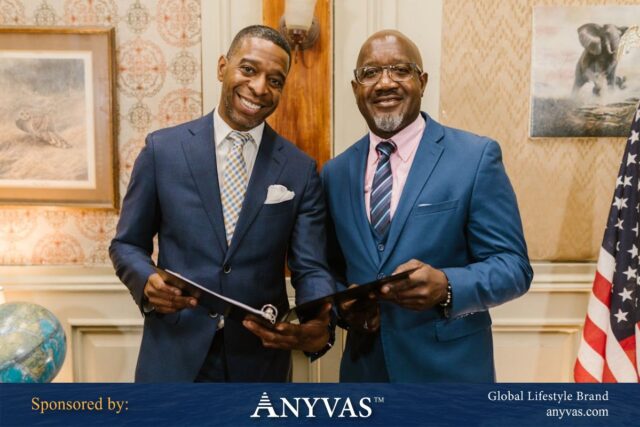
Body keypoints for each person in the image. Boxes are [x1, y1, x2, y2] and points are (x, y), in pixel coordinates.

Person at [110, 25, 334, 382]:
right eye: (248, 69)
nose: (260, 88)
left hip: (259, 362)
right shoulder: (162, 151)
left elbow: (311, 267)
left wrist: (319, 319)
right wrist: (147, 280)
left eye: (275, 80)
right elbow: (126, 244)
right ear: (221, 68)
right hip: (173, 356)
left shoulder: (300, 169)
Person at [321, 30, 533, 382]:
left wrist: (447, 285)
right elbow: (332, 270)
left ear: (422, 81)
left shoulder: (475, 157)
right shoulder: (335, 172)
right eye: (370, 73)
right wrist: (343, 308)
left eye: (400, 70)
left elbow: (514, 268)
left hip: (450, 375)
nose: (384, 82)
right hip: (365, 373)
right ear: (356, 87)